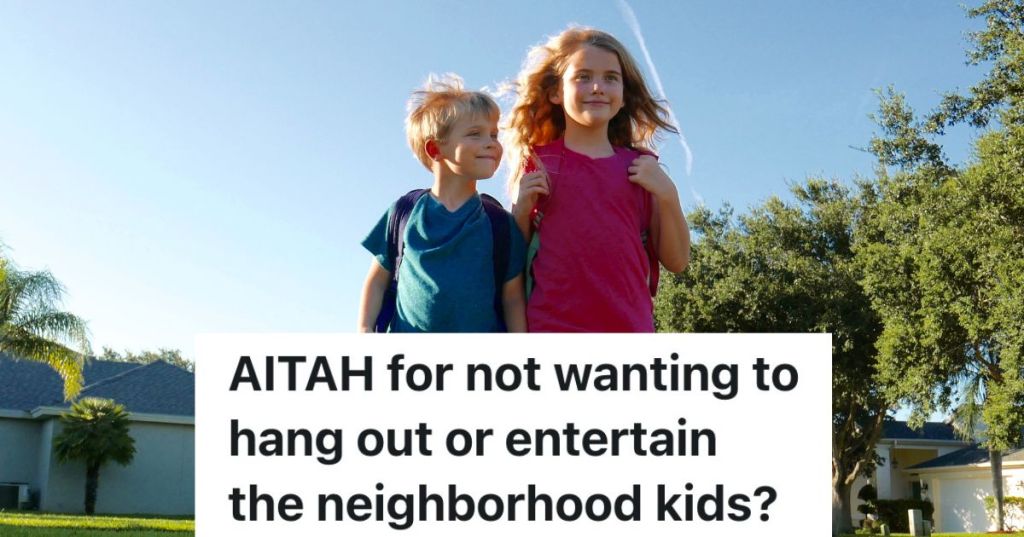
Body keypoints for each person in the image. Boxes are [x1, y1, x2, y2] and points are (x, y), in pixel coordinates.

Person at [505, 27, 690, 332]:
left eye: (610, 78)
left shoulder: (642, 168)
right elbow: (514, 258)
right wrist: (520, 212)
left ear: (623, 95)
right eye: (583, 76)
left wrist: (668, 195)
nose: (597, 87)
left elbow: (678, 261)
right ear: (555, 92)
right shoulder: (541, 163)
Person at [358, 75, 526, 332]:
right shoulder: (404, 212)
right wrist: (364, 330)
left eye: (493, 134)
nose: (491, 143)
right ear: (436, 150)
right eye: (475, 134)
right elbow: (377, 280)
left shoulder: (499, 224)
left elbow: (512, 297)